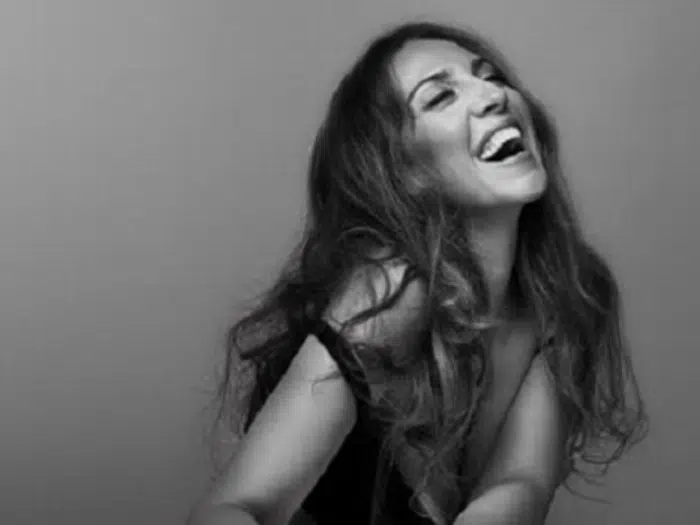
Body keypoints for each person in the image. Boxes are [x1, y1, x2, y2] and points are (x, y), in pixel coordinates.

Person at [188, 21, 648, 525]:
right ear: (404, 171)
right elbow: (234, 506)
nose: (494, 95)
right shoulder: (391, 293)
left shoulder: (570, 290)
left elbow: (520, 483)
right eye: (441, 97)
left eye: (491, 77)